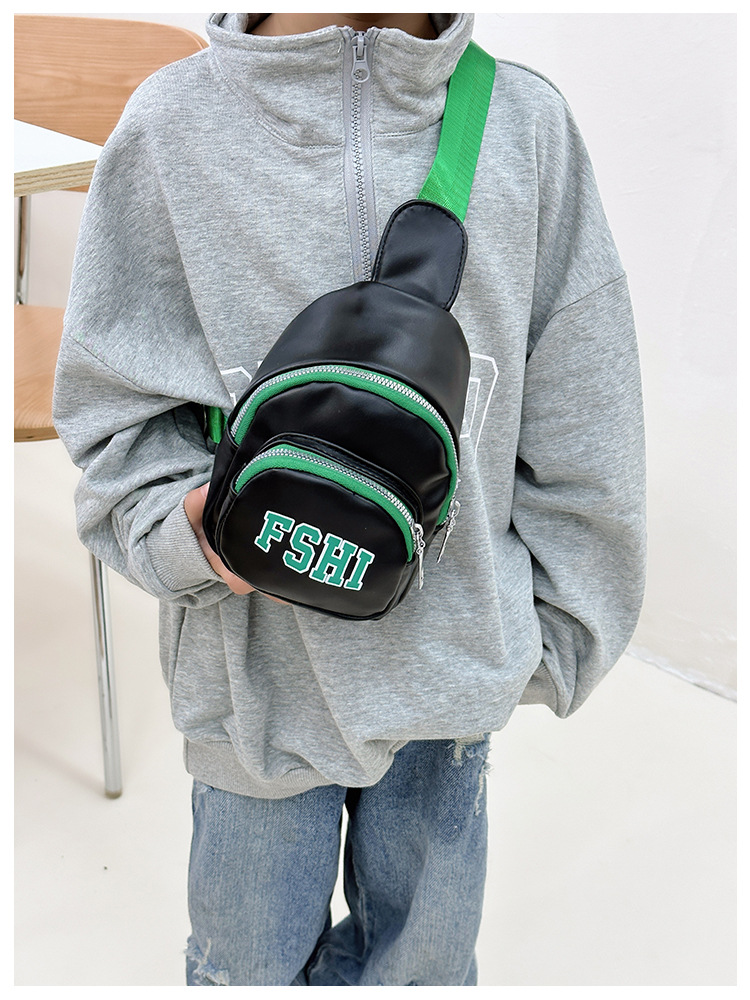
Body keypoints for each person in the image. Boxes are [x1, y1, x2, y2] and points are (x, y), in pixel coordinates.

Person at [53, 12, 647, 987]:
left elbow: (587, 415)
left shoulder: (526, 128)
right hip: (253, 693)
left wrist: (540, 645)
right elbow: (115, 409)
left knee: (420, 970)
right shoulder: (172, 128)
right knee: (247, 968)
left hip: (448, 694)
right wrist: (187, 536)